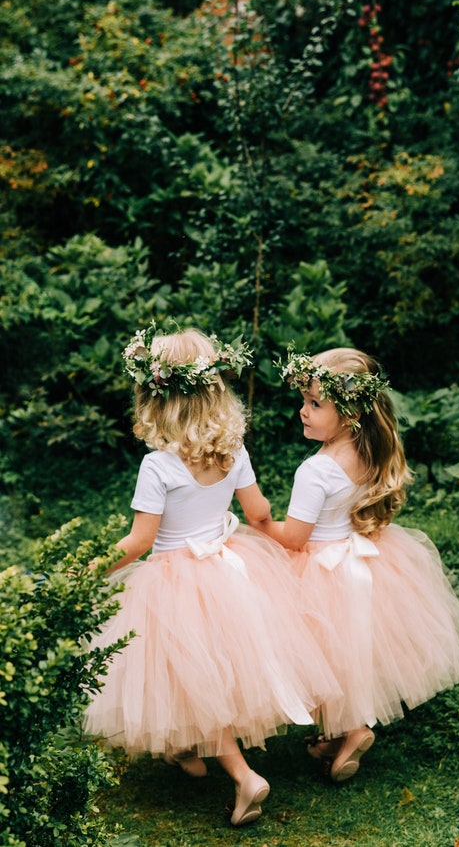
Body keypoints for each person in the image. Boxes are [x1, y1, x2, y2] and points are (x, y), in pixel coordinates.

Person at [84, 324, 340, 826]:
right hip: (231, 568)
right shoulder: (233, 451)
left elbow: (138, 542)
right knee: (206, 673)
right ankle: (185, 750)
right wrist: (277, 535)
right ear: (213, 390)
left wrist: (88, 569)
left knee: (190, 677)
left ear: (155, 399)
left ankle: (245, 777)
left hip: (174, 582)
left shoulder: (158, 465)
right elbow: (259, 511)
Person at [250, 345, 459, 783]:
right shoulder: (369, 449)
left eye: (315, 404)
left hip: (318, 567)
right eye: (303, 401)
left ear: (350, 413)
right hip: (363, 560)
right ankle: (341, 734)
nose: (303, 411)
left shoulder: (314, 472)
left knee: (316, 658)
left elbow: (296, 539)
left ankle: (352, 729)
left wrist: (260, 525)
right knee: (349, 654)